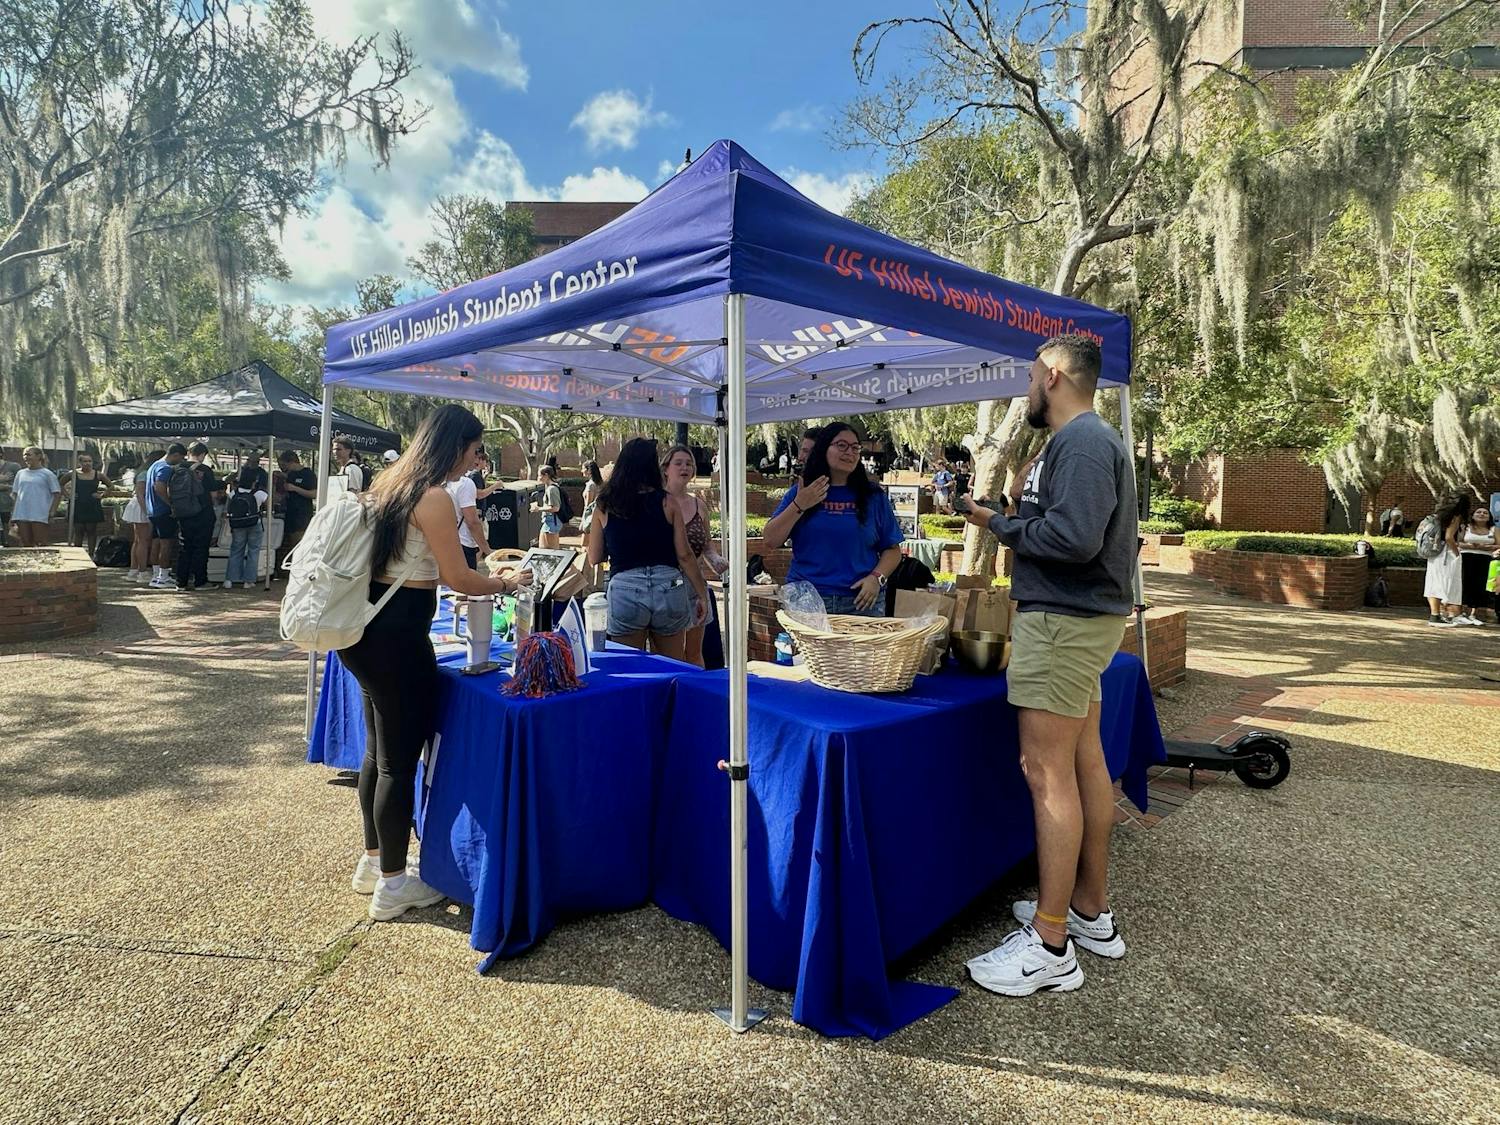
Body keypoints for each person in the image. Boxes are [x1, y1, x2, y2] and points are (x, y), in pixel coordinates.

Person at [957, 333, 1137, 998]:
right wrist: (1003, 515)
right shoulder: (1082, 442)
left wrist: (1002, 528)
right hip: (1077, 619)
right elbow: (1069, 525)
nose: (1028, 386)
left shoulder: (1084, 441)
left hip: (1063, 621)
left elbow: (1075, 537)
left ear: (1056, 374)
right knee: (1084, 759)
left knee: (1045, 769)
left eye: (1034, 374)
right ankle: (1088, 909)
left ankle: (1051, 944)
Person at [342, 404, 530, 921]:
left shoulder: (389, 485)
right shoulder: (434, 497)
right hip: (398, 639)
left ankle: (375, 861)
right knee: (399, 764)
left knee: (379, 755)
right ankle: (394, 885)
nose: (475, 462)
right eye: (474, 451)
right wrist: (507, 583)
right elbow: (460, 578)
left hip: (364, 631)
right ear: (454, 446)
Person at [586, 437, 708, 659]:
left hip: (625, 587)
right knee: (671, 667)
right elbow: (685, 555)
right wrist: (702, 595)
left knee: (631, 668)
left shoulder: (604, 504)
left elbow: (593, 557)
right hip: (668, 585)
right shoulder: (667, 502)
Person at [763, 424, 903, 617]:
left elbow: (893, 550)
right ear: (823, 449)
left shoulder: (873, 496)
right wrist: (800, 504)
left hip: (861, 602)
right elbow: (771, 539)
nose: (850, 453)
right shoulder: (802, 492)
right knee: (808, 650)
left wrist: (876, 578)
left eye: (855, 447)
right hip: (807, 600)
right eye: (841, 445)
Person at [662, 443, 729, 666]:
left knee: (694, 653)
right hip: (667, 588)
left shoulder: (699, 505)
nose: (685, 467)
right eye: (678, 463)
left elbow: (706, 544)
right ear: (666, 469)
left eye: (689, 463)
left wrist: (716, 560)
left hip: (695, 586)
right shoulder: (658, 503)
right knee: (673, 656)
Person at [172, 442, 223, 591]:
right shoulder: (205, 470)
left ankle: (181, 582)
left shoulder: (177, 469)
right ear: (202, 454)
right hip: (202, 512)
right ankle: (200, 581)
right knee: (201, 547)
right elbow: (213, 494)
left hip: (183, 513)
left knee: (184, 547)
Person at [1423, 492, 1467, 628]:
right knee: (1444, 583)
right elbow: (1449, 537)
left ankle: (1434, 614)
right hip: (1446, 554)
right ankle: (1436, 616)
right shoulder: (1456, 516)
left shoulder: (1440, 515)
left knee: (1433, 583)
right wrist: (1457, 553)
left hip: (1435, 552)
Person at [223, 464, 268, 589]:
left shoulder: (233, 493)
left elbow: (228, 508)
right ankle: (248, 581)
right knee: (253, 551)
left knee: (236, 550)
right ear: (254, 481)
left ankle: (229, 579)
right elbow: (269, 506)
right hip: (254, 523)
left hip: (237, 524)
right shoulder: (259, 494)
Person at [275, 450, 317, 574]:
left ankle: (301, 570)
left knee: (300, 543)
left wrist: (295, 488)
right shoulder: (290, 475)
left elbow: (314, 494)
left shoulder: (308, 474)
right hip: (290, 513)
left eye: (284, 465)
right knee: (291, 542)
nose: (284, 469)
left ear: (292, 462)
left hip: (302, 515)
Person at [10, 446, 61, 547]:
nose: (26, 457)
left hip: (40, 514)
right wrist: (13, 514)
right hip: (22, 513)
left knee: (40, 542)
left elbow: (57, 494)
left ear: (39, 456)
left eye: (29, 454)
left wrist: (52, 512)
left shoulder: (48, 474)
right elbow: (15, 494)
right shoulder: (20, 473)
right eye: (24, 455)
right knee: (25, 542)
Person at [445, 446, 486, 569]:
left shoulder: (437, 481)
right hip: (464, 542)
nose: (476, 460)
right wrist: (487, 549)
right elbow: (472, 522)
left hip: (443, 543)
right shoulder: (465, 483)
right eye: (475, 454)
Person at [1456, 501, 1496, 626]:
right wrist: (1469, 545)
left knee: (1480, 585)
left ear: (1489, 517)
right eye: (1479, 512)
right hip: (1467, 558)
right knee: (1465, 584)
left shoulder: (1494, 530)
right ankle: (1461, 613)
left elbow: (1498, 544)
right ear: (1473, 515)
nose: (1482, 514)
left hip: (1485, 559)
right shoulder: (1465, 527)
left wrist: (1485, 547)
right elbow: (1457, 542)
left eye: (1485, 513)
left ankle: (1473, 613)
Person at [122, 453, 156, 581]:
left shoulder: (142, 472)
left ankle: (134, 570)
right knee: (143, 540)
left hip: (139, 505)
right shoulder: (145, 474)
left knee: (138, 540)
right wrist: (147, 511)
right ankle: (142, 572)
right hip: (141, 506)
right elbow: (140, 494)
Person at [532, 465, 563, 549]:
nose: (538, 478)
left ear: (546, 475)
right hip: (549, 521)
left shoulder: (551, 489)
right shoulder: (550, 487)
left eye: (539, 475)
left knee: (551, 550)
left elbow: (556, 508)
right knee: (543, 548)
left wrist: (539, 509)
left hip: (552, 522)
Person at [0, 453, 23, 545]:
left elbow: (22, 484)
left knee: (13, 530)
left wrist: (7, 486)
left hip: (10, 504)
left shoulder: (14, 467)